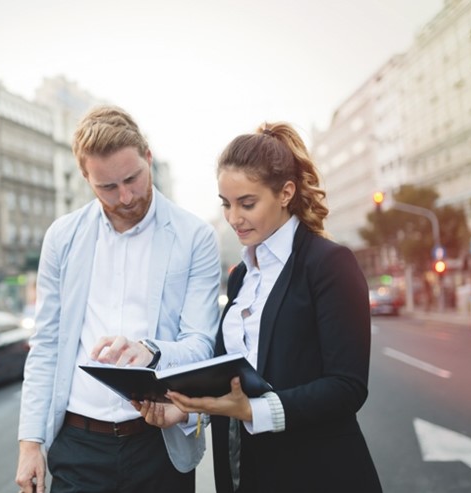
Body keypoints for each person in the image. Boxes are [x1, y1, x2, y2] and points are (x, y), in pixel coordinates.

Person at [161, 122, 382, 492]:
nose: (233, 218)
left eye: (247, 203)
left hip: (318, 473)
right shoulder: (241, 277)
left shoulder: (328, 263)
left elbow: (347, 387)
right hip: (244, 471)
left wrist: (253, 410)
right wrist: (185, 408)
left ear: (286, 193)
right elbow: (230, 379)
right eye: (226, 204)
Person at [15, 105, 221, 493]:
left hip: (158, 444)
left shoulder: (195, 237)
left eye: (133, 179)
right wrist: (30, 443)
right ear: (86, 178)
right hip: (78, 444)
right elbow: (45, 345)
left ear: (148, 157)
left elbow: (202, 345)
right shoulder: (62, 237)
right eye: (107, 187)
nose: (125, 197)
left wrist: (150, 350)